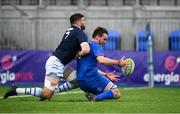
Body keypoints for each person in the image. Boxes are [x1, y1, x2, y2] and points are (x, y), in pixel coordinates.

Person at [4, 13, 90, 100]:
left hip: (59, 63)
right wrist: (79, 54)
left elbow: (69, 50)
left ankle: (53, 91)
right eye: (83, 20)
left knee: (78, 80)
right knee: (46, 94)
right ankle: (16, 90)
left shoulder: (70, 30)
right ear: (78, 21)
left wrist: (76, 55)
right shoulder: (79, 33)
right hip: (56, 64)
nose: (85, 22)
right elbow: (86, 50)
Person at [76, 26, 128, 101]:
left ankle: (93, 94)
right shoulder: (96, 45)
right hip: (91, 78)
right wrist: (118, 62)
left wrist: (105, 74)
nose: (105, 42)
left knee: (105, 94)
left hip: (81, 82)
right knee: (116, 92)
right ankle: (96, 97)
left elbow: (87, 66)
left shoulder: (85, 46)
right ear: (97, 37)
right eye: (104, 39)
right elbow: (102, 60)